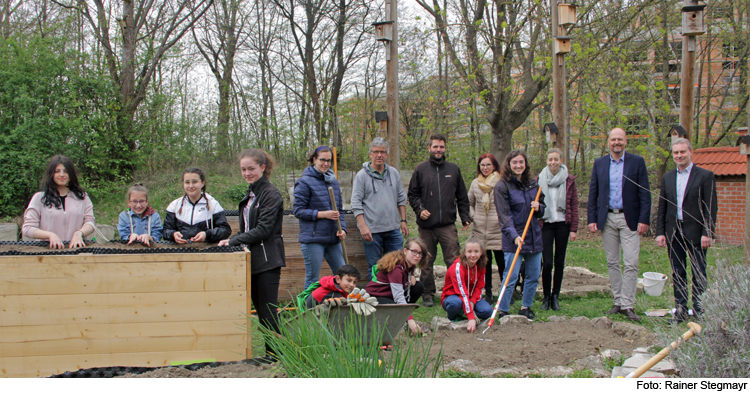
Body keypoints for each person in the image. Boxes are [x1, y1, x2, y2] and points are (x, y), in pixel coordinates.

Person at [218, 148, 285, 360]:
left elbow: (264, 229)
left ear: (263, 168)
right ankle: (272, 351)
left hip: (268, 259)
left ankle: (277, 353)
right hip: (253, 258)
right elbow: (248, 227)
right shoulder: (251, 193)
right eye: (243, 169)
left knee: (267, 311)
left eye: (251, 169)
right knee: (261, 310)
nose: (247, 173)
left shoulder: (270, 194)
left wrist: (233, 240)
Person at [588, 128, 651, 321]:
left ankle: (628, 304)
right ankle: (617, 301)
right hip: (607, 219)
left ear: (625, 142)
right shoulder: (599, 164)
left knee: (631, 263)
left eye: (620, 139)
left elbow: (645, 194)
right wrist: (591, 219)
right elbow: (593, 193)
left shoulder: (637, 162)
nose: (617, 142)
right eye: (614, 139)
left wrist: (644, 219)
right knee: (612, 262)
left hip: (629, 219)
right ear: (608, 142)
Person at [655, 138, 717, 324]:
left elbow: (711, 206)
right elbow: (662, 207)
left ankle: (699, 311)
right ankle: (680, 310)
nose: (679, 156)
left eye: (682, 152)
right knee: (678, 272)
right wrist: (660, 232)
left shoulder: (705, 176)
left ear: (691, 152)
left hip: (697, 232)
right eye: (676, 153)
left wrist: (708, 232)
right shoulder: (667, 178)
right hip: (674, 231)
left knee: (699, 272)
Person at [407, 134, 471, 307]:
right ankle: (428, 293)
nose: (438, 150)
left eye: (441, 147)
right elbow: (412, 194)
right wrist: (420, 210)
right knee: (426, 261)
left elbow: (462, 196)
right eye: (435, 146)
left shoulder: (453, 169)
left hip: (448, 225)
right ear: (429, 148)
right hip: (426, 226)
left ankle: (453, 291)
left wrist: (465, 216)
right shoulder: (420, 169)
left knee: (454, 261)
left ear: (445, 148)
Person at [494, 150, 545, 320]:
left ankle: (526, 307)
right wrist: (515, 236)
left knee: (533, 275)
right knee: (511, 276)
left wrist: (539, 207)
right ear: (508, 164)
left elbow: (542, 209)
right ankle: (503, 310)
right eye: (514, 162)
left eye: (521, 162)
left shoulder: (533, 184)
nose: (518, 166)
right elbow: (504, 216)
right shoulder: (502, 186)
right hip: (514, 239)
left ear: (525, 164)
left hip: (533, 238)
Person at [351, 137, 409, 280]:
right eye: (375, 152)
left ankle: (398, 298)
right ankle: (376, 297)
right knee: (375, 266)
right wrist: (363, 226)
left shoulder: (394, 173)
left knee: (398, 263)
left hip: (393, 229)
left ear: (386, 154)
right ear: (370, 154)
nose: (379, 155)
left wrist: (403, 220)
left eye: (382, 152)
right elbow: (355, 202)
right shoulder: (362, 176)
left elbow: (401, 198)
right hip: (372, 231)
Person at [293, 146, 347, 289]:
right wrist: (323, 214)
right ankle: (306, 309)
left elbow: (339, 210)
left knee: (343, 275)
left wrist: (343, 230)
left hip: (332, 239)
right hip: (313, 239)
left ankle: (344, 308)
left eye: (329, 161)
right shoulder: (304, 182)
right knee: (312, 278)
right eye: (322, 160)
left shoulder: (333, 182)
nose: (326, 164)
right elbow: (298, 211)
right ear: (314, 160)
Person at [22, 155, 95, 248]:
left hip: (76, 251)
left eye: (66, 171)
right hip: (47, 253)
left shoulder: (83, 197)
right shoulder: (39, 198)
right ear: (51, 174)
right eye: (57, 171)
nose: (62, 175)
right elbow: (27, 228)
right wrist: (50, 235)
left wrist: (79, 233)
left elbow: (90, 223)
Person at [538, 148, 579, 311]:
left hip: (563, 224)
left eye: (556, 159)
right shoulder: (540, 179)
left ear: (561, 160)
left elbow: (574, 205)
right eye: (550, 160)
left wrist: (574, 228)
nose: (553, 162)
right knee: (547, 262)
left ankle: (556, 296)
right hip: (546, 225)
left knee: (559, 262)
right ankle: (546, 296)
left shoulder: (568, 180)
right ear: (546, 161)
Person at [365, 237, 430, 335]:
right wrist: (410, 320)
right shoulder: (396, 269)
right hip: (375, 297)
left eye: (420, 253)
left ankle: (400, 320)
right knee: (394, 306)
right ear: (405, 251)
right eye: (414, 252)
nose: (417, 256)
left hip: (390, 295)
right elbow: (399, 296)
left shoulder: (410, 264)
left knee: (418, 286)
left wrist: (412, 275)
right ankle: (401, 321)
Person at [468, 153, 505, 303]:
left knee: (502, 263)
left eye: (488, 164)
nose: (485, 168)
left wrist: (501, 219)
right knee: (485, 265)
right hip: (480, 231)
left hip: (498, 231)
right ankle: (487, 292)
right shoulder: (475, 183)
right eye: (482, 165)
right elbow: (468, 203)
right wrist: (473, 216)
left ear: (494, 166)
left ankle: (505, 292)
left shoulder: (501, 183)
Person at [163, 167, 231, 244]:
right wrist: (173, 235)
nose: (191, 186)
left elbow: (225, 230)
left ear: (202, 183)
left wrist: (207, 234)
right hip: (181, 252)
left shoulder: (213, 205)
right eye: (187, 182)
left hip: (206, 252)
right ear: (183, 184)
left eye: (194, 182)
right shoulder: (174, 206)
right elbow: (166, 231)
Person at [441, 239, 494, 333]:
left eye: (476, 251)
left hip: (470, 296)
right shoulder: (457, 268)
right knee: (455, 304)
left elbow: (479, 287)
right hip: (454, 296)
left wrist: (473, 301)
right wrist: (471, 317)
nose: (473, 255)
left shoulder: (481, 265)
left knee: (487, 311)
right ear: (464, 252)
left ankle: (463, 313)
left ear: (481, 252)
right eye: (469, 252)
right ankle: (452, 317)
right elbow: (462, 293)